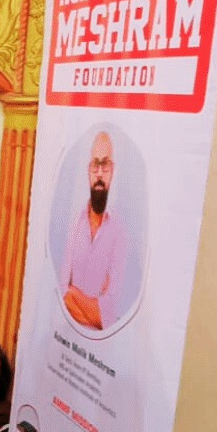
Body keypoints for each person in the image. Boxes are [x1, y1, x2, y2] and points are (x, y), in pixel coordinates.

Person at [59, 131, 128, 330]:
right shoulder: (75, 223)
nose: (99, 174)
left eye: (104, 166)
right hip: (66, 334)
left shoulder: (120, 234)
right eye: (94, 165)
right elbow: (62, 292)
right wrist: (90, 305)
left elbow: (107, 317)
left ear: (112, 171)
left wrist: (74, 293)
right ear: (88, 170)